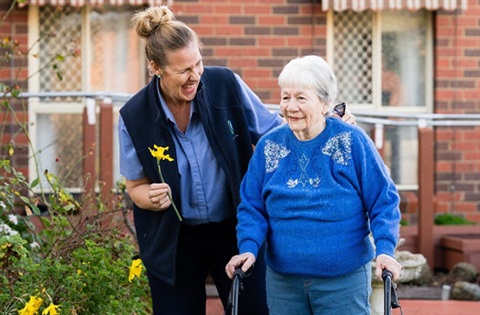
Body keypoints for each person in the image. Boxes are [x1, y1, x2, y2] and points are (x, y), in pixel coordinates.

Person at [118, 6, 355, 315]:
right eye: (183, 70)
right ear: (156, 68)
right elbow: (134, 185)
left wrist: (326, 121)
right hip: (173, 242)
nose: (195, 76)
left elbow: (274, 132)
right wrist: (146, 198)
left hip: (237, 229)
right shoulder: (134, 116)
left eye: (198, 64)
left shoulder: (225, 84)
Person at [225, 55, 402, 315]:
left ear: (325, 103)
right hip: (283, 283)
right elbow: (252, 206)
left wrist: (386, 250)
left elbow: (384, 200)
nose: (290, 107)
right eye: (286, 97)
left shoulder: (352, 142)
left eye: (301, 98)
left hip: (342, 281)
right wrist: (248, 248)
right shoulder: (269, 146)